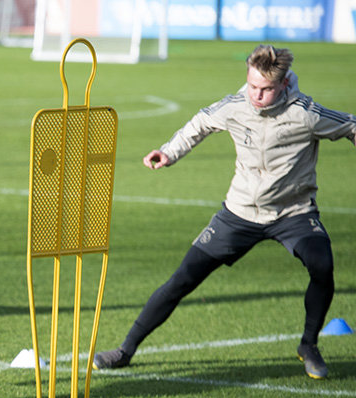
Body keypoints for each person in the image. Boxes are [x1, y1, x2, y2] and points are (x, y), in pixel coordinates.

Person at [92, 44, 356, 380]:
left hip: (294, 213)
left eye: (266, 88)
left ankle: (309, 345)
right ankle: (125, 350)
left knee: (323, 266)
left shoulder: (306, 114)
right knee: (182, 279)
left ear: (284, 83)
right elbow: (201, 122)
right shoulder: (235, 106)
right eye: (252, 85)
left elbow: (350, 125)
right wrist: (169, 152)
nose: (256, 95)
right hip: (239, 212)